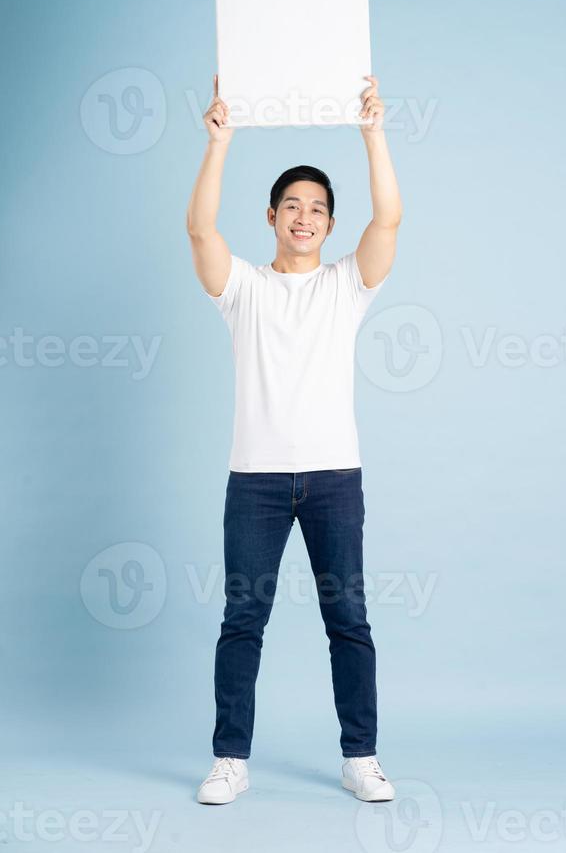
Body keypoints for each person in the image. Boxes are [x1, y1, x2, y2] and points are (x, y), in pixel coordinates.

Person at [186, 74, 403, 804]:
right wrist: (220, 143)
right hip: (256, 481)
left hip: (335, 478)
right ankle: (229, 760)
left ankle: (361, 756)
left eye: (317, 209)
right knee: (242, 617)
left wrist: (372, 131)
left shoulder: (347, 286)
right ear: (272, 215)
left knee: (348, 617)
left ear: (329, 225)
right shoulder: (242, 287)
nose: (304, 218)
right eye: (292, 207)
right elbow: (198, 232)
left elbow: (391, 222)